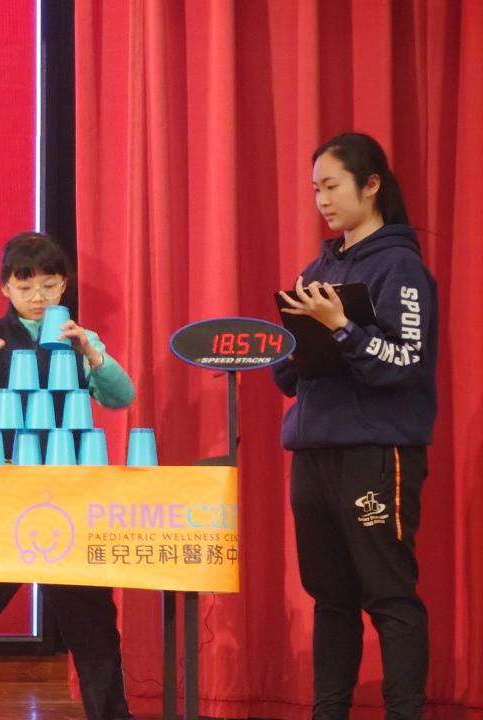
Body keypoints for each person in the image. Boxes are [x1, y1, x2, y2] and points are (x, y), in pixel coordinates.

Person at [0, 231, 135, 720]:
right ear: (6, 288)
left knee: (93, 623)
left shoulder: (79, 339)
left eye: (49, 286)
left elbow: (121, 396)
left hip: (68, 498)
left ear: (64, 286)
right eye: (25, 287)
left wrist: (93, 355)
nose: (38, 297)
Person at [273, 132, 438, 720]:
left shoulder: (401, 266)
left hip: (376, 450)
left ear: (371, 185)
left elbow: (406, 363)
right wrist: (288, 348)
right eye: (315, 189)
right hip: (314, 450)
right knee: (330, 597)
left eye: (332, 186)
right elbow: (288, 375)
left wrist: (342, 327)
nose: (322, 200)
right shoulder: (318, 267)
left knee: (389, 593)